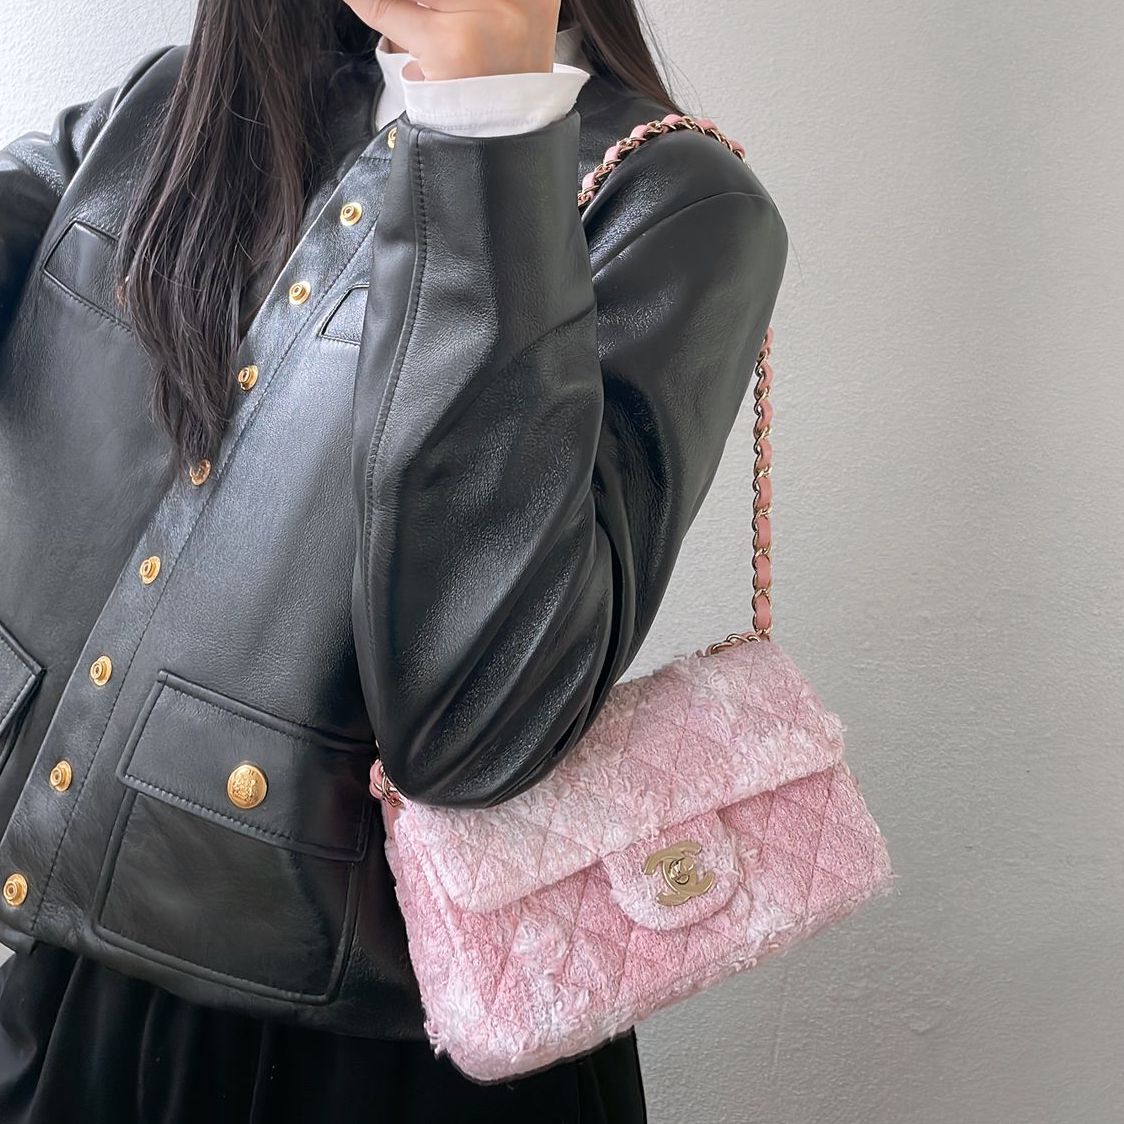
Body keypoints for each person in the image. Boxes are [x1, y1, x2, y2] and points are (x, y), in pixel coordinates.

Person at [0, 0, 788, 1119]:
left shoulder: (665, 202)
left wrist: (486, 123)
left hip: (397, 1063)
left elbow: (476, 730)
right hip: (68, 1003)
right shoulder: (166, 115)